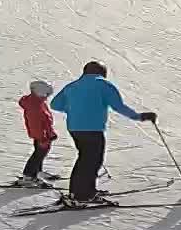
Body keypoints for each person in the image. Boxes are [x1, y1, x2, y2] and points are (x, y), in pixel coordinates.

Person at [50, 61, 155, 204]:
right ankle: (84, 195)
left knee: (84, 159)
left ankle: (78, 192)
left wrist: (73, 109)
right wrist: (139, 116)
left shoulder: (72, 86)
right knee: (92, 161)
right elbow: (118, 106)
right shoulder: (104, 85)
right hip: (93, 128)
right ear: (102, 72)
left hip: (75, 128)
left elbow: (55, 104)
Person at [14, 80, 58, 187]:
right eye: (46, 94)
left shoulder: (38, 102)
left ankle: (38, 172)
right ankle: (29, 176)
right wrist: (43, 137)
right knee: (38, 154)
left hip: (44, 134)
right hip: (41, 135)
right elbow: (36, 124)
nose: (47, 97)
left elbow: (45, 121)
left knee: (40, 153)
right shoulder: (35, 107)